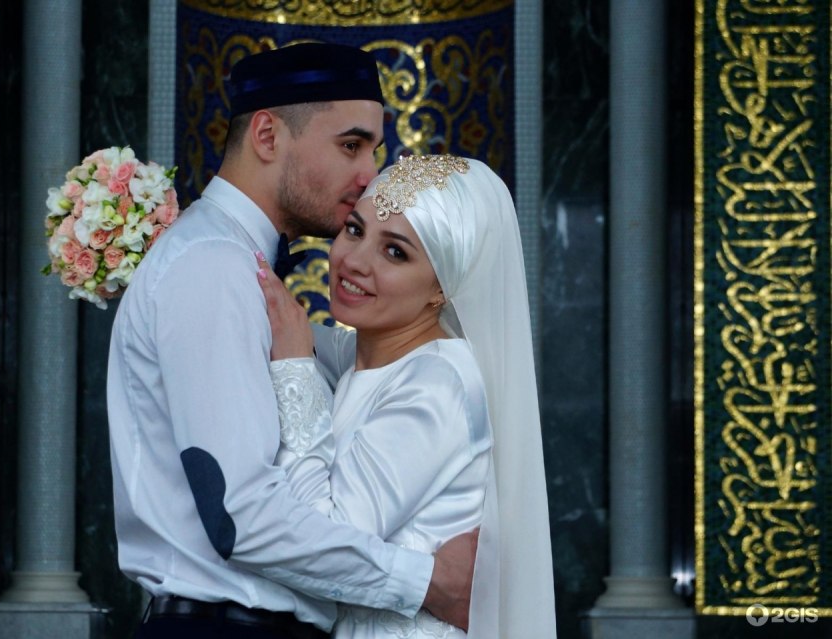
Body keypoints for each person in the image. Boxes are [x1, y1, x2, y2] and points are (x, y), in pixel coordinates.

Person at [106, 43, 478, 639]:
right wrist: (427, 583)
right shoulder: (214, 266)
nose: (369, 176)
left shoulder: (237, 265)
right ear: (267, 136)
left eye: (373, 151)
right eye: (351, 146)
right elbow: (241, 518)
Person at [255, 155, 557, 638]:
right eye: (355, 230)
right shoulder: (369, 354)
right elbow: (283, 331)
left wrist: (292, 368)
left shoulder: (438, 382)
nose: (354, 261)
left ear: (441, 288)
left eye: (395, 252)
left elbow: (322, 535)